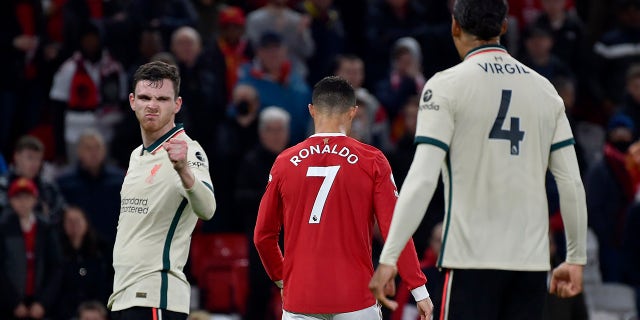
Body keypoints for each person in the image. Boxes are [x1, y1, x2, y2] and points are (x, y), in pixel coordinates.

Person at [369, 1, 588, 319]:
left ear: (455, 27)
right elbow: (571, 182)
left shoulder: (446, 87)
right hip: (530, 262)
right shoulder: (545, 91)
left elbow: (422, 178)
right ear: (504, 28)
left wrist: (390, 257)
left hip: (471, 257)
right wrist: (575, 257)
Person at [254, 76, 433, 319]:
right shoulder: (372, 160)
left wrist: (283, 280)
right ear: (353, 113)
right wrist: (418, 289)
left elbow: (263, 236)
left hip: (301, 298)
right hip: (355, 298)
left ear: (311, 110)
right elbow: (395, 229)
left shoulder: (285, 162)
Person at [107, 61, 217, 320]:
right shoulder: (137, 155)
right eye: (145, 97)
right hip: (123, 294)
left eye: (162, 99)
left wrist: (184, 171)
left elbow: (208, 208)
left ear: (176, 105)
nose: (152, 105)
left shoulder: (187, 150)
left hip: (156, 296)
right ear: (132, 101)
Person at [236, 106, 290, 320]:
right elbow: (239, 198)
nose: (276, 135)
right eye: (271, 130)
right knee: (259, 293)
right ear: (261, 132)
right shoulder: (250, 160)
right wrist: (270, 198)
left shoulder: (295, 158)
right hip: (262, 237)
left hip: (292, 238)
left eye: (280, 130)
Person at [0, 177, 62, 320]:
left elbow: (56, 267)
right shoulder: (3, 228)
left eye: (27, 197)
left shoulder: (46, 228)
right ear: (11, 201)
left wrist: (43, 303)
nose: (23, 202)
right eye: (18, 198)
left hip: (39, 303)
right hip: (8, 306)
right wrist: (13, 303)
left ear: (35, 199)